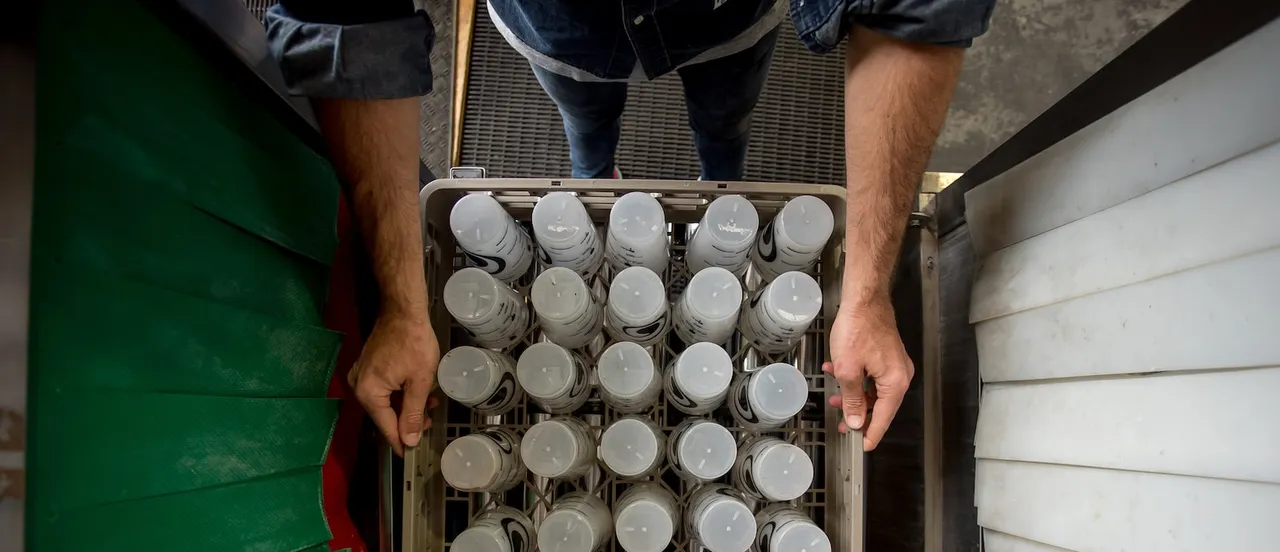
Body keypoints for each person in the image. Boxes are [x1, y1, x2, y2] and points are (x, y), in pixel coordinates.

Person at [264, 0, 995, 456]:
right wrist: (400, 299)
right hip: (560, 35)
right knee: (585, 115)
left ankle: (719, 182)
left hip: (729, 23)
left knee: (726, 119)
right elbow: (346, 20)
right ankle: (596, 173)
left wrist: (865, 291)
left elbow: (921, 8)